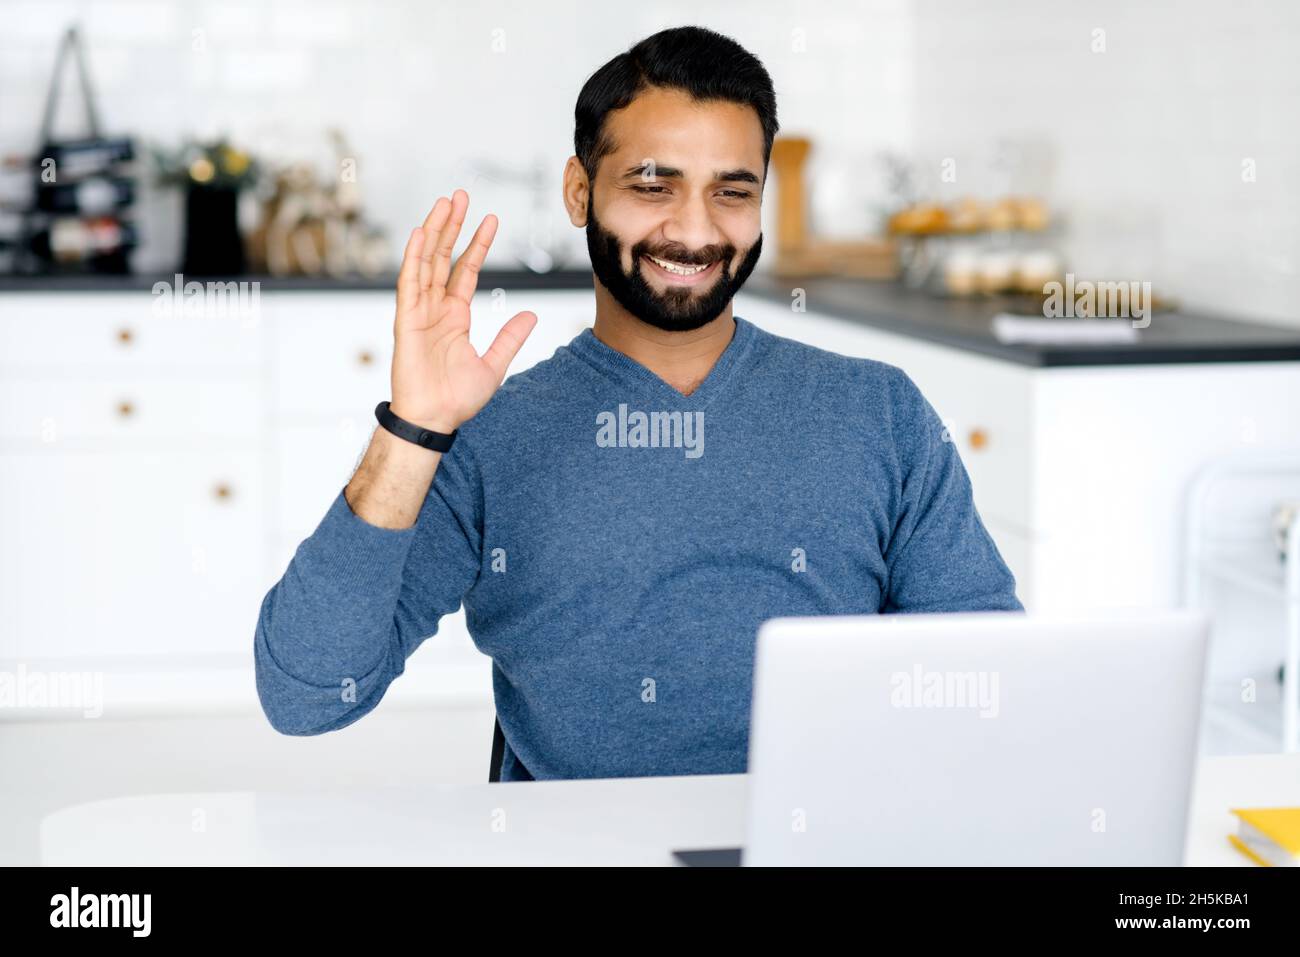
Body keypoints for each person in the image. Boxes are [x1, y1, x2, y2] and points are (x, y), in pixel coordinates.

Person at [254, 25, 1022, 781]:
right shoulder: (486, 436)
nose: (694, 231)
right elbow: (306, 693)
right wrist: (414, 429)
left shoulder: (878, 412)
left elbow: (987, 684)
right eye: (653, 186)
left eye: (731, 192)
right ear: (579, 192)